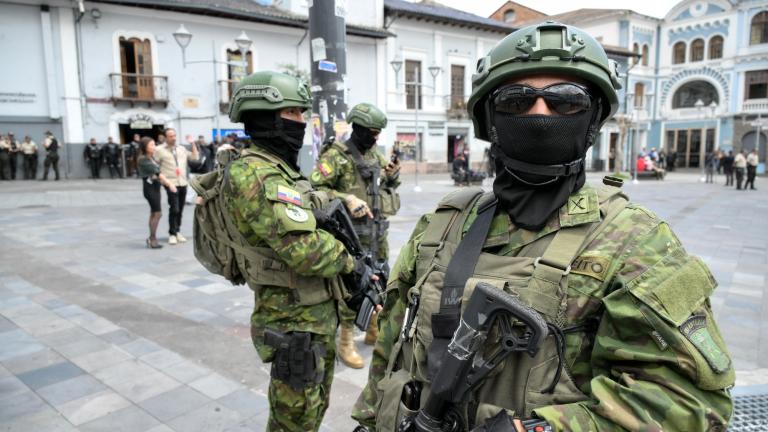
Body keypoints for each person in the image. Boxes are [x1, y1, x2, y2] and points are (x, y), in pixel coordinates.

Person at [352, 22, 733, 432]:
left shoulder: (635, 242)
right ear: (491, 119)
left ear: (592, 119)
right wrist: (369, 420)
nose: (539, 114)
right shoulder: (440, 227)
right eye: (516, 101)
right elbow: (394, 350)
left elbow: (692, 402)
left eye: (566, 101)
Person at [223, 70, 367, 431]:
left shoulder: (279, 170)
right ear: (266, 117)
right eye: (293, 113)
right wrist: (351, 262)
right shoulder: (256, 174)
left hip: (310, 316)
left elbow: (312, 198)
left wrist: (342, 199)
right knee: (294, 420)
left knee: (312, 409)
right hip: (292, 322)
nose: (301, 122)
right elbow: (303, 249)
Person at [310, 102, 400, 369]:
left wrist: (393, 175)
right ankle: (346, 343)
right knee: (353, 288)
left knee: (379, 281)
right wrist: (346, 197)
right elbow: (315, 189)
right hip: (350, 236)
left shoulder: (374, 155)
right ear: (357, 128)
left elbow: (386, 183)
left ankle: (373, 330)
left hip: (376, 233)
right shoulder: (335, 156)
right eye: (371, 131)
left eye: (378, 132)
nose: (375, 137)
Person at [154, 127, 198, 245]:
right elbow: (154, 166)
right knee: (174, 208)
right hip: (170, 183)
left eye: (174, 135)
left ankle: (177, 231)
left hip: (183, 182)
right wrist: (160, 180)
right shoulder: (159, 150)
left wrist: (193, 143)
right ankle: (172, 234)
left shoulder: (181, 148)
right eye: (170, 136)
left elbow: (194, 157)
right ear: (165, 137)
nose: (173, 138)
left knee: (180, 209)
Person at [137, 137, 176, 248]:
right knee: (157, 213)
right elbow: (158, 173)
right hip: (149, 188)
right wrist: (170, 184)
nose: (154, 147)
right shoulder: (143, 159)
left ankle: (151, 238)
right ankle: (152, 239)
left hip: (155, 186)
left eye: (154, 144)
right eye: (151, 145)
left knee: (154, 213)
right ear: (145, 147)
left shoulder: (151, 157)